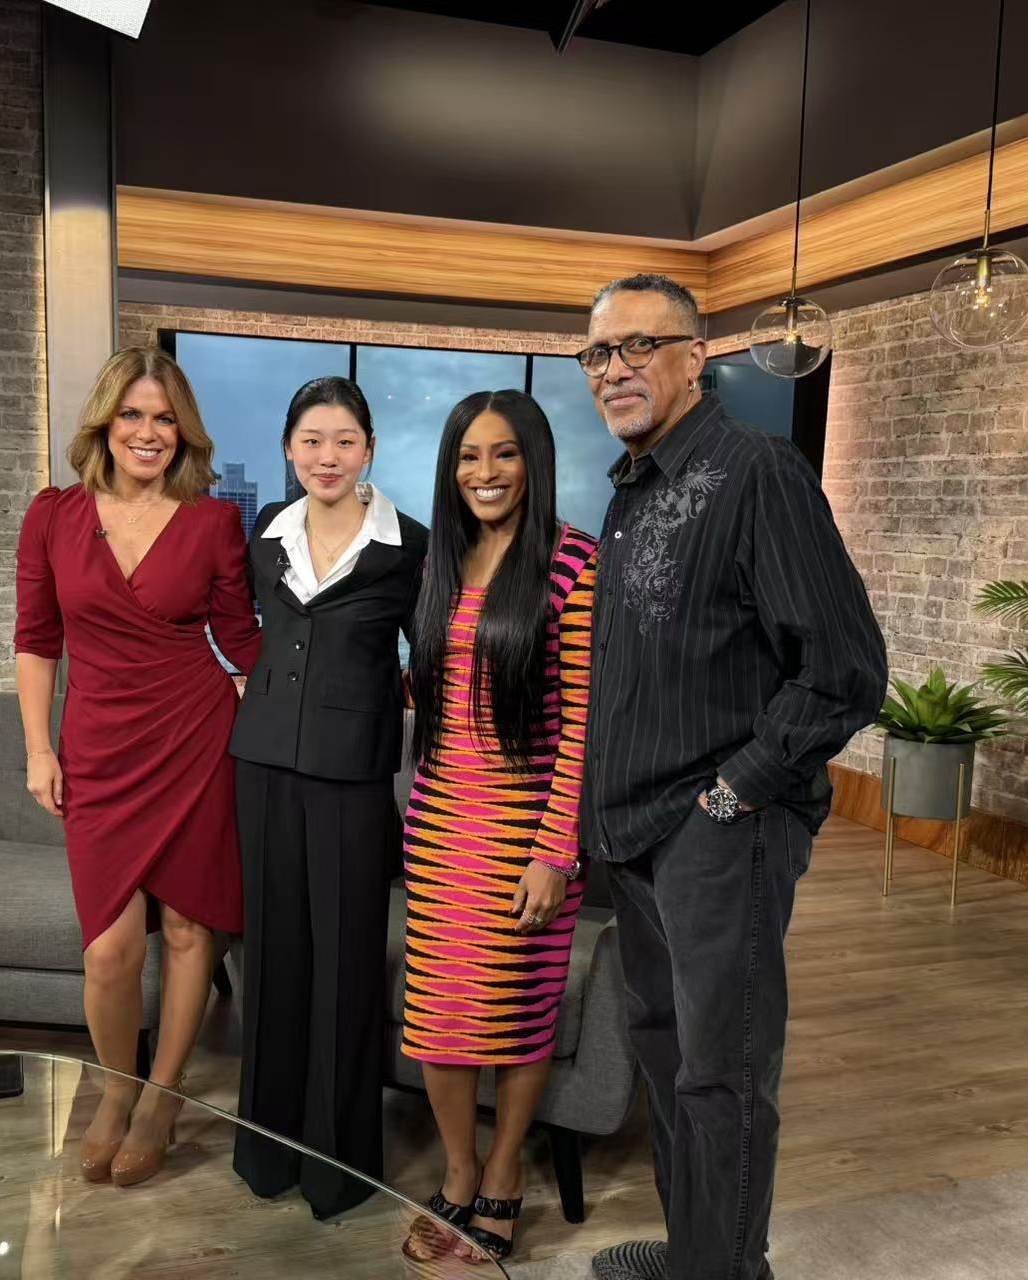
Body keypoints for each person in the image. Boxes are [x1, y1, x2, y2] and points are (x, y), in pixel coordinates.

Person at [577, 277, 886, 1280]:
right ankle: (697, 1253)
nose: (614, 368)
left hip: (717, 833)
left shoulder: (758, 474)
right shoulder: (632, 488)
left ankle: (727, 1269)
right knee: (668, 1062)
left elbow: (844, 664)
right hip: (637, 833)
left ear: (694, 356)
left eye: (638, 346)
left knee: (723, 1075)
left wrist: (738, 789)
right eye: (597, 354)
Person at [14, 347, 261, 1189]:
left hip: (194, 736)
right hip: (99, 745)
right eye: (132, 415)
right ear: (104, 423)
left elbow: (242, 637)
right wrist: (37, 747)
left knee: (192, 929)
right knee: (110, 952)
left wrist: (340, 676)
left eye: (163, 418)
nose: (148, 433)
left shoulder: (212, 522)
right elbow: (36, 638)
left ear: (182, 431)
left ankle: (161, 1098)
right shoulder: (51, 515)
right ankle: (115, 1092)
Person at [399, 390, 597, 1264]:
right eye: (469, 456)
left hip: (526, 833)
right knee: (438, 1015)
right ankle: (456, 1169)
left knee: (515, 1015)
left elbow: (585, 722)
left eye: (504, 454)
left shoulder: (573, 564)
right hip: (440, 821)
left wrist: (556, 852)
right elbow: (434, 698)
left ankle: (507, 1173)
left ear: (534, 462)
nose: (485, 473)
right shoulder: (442, 561)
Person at [228, 375, 428, 1219]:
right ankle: (267, 1155)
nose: (327, 456)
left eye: (344, 440)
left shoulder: (408, 544)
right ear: (288, 449)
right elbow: (245, 635)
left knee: (345, 962)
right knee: (271, 958)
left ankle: (338, 1168)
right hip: (262, 766)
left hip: (351, 775)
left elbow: (436, 658)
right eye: (311, 440)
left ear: (370, 450)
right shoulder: (263, 538)